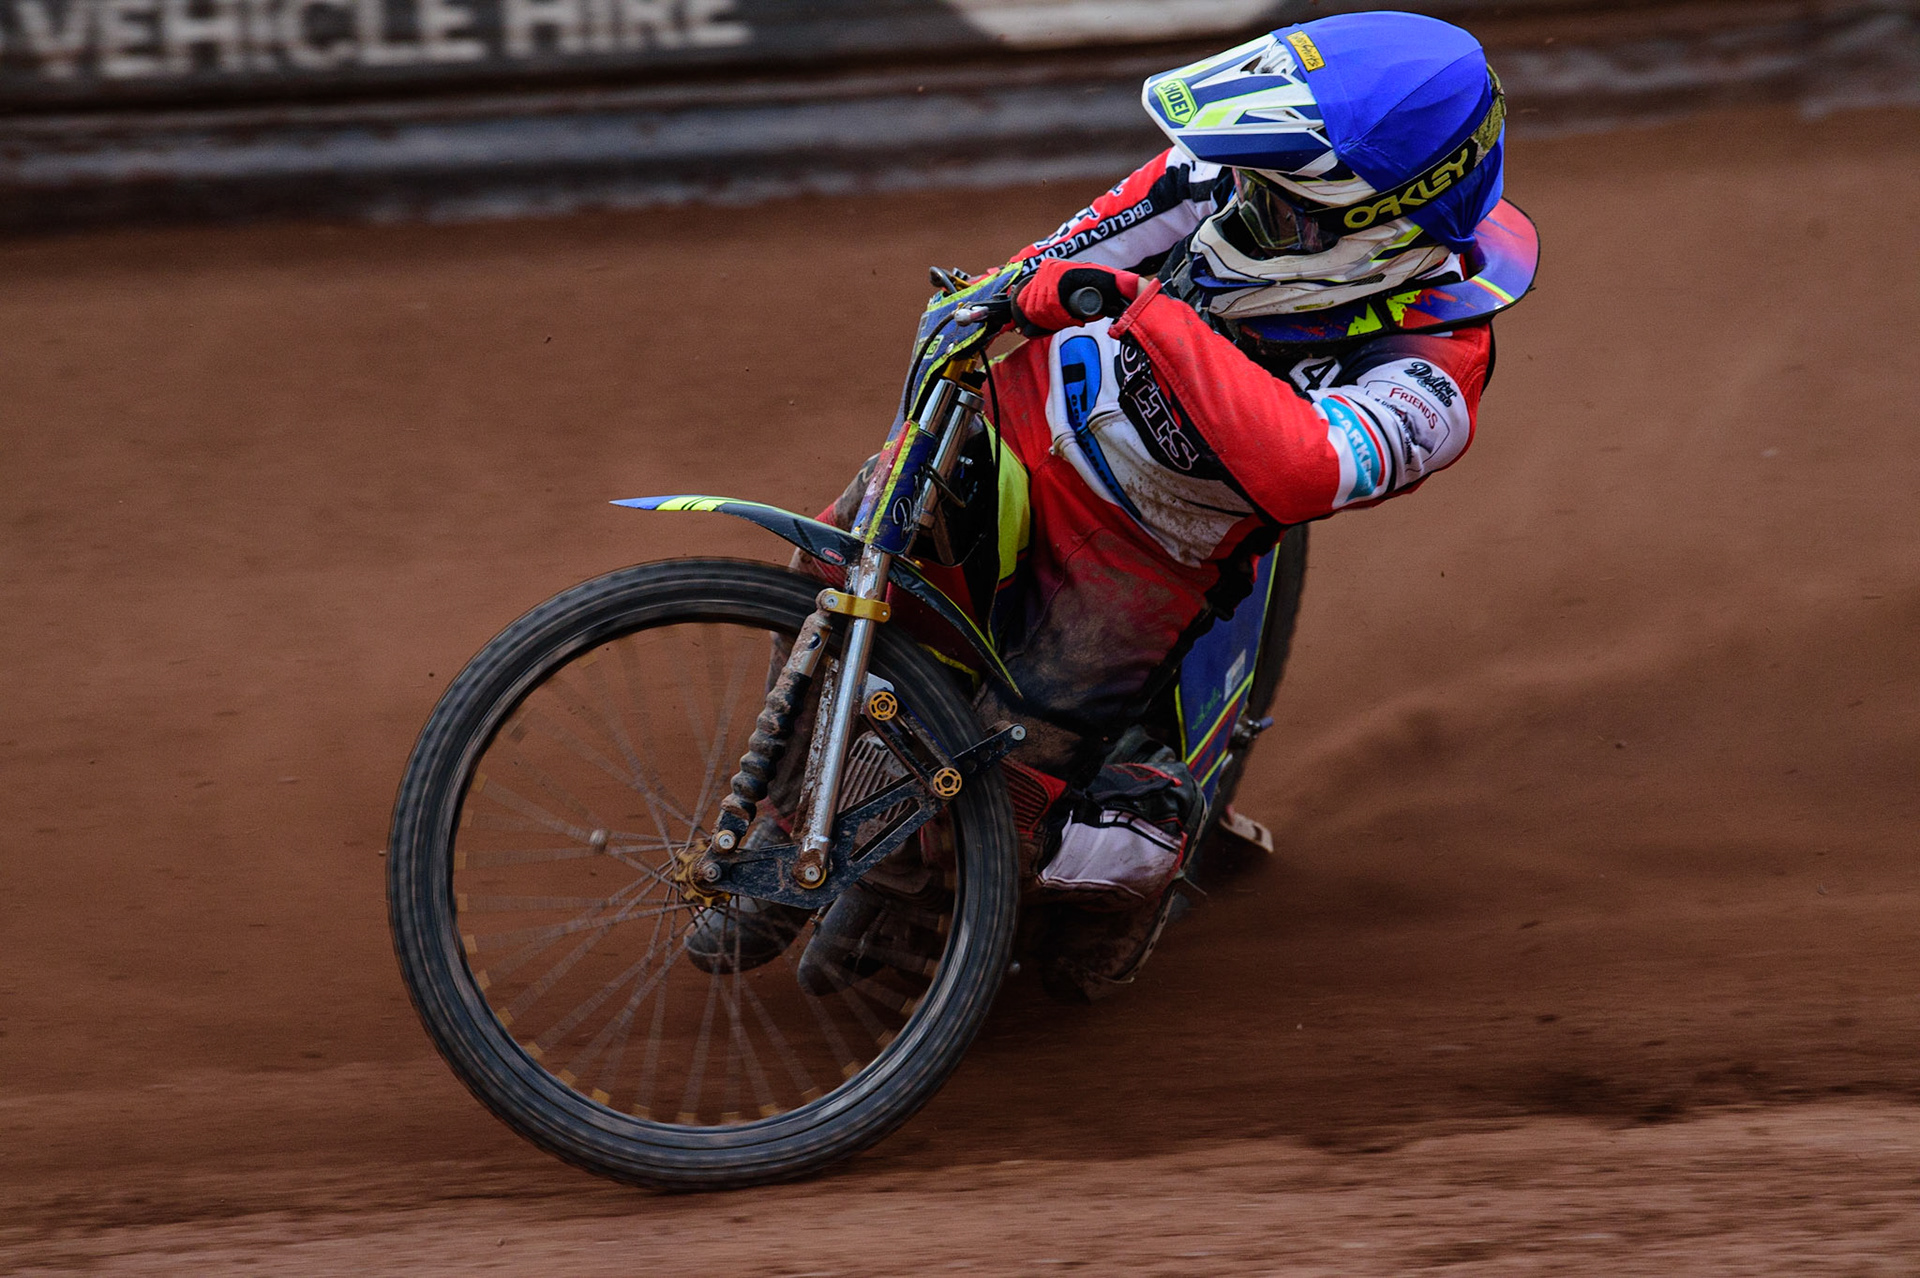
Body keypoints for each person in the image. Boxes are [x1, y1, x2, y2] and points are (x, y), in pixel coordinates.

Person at [689, 10, 1538, 1001]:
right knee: (844, 551)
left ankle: (1095, 869)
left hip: (1151, 554)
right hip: (1023, 437)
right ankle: (790, 813)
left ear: (1381, 221)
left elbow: (1307, 468)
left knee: (993, 817)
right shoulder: (1225, 173)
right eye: (1251, 186)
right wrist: (991, 304)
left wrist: (1150, 316)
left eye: (1280, 208)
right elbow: (1028, 275)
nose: (1244, 210)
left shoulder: (1442, 357)